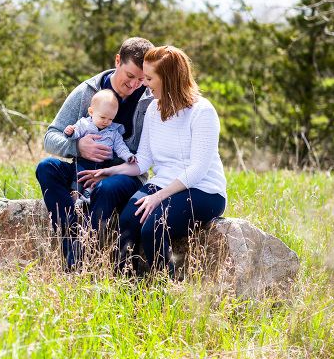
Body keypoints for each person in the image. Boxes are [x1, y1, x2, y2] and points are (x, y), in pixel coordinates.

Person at [78, 45, 226, 277]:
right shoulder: (154, 110)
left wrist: (158, 197)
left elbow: (197, 169)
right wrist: (110, 172)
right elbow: (143, 161)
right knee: (128, 220)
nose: (144, 84)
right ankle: (124, 288)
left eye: (148, 78)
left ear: (168, 78)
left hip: (203, 190)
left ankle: (166, 291)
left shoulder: (202, 111)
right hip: (164, 183)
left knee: (154, 227)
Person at [36, 37, 155, 269]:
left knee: (105, 188)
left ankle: (76, 264)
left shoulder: (150, 101)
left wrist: (110, 172)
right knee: (46, 167)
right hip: (83, 169)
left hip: (125, 177)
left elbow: (147, 156)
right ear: (118, 60)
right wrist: (77, 146)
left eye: (142, 79)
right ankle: (71, 234)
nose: (134, 85)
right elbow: (51, 136)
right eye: (129, 76)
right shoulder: (87, 91)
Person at [64, 89, 137, 208]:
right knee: (79, 177)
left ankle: (87, 196)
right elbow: (75, 134)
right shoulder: (84, 124)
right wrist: (70, 132)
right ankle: (75, 199)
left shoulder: (113, 131)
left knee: (97, 182)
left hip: (104, 165)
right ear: (91, 112)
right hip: (84, 162)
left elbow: (120, 147)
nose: (106, 122)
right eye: (103, 117)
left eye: (110, 119)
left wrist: (128, 156)